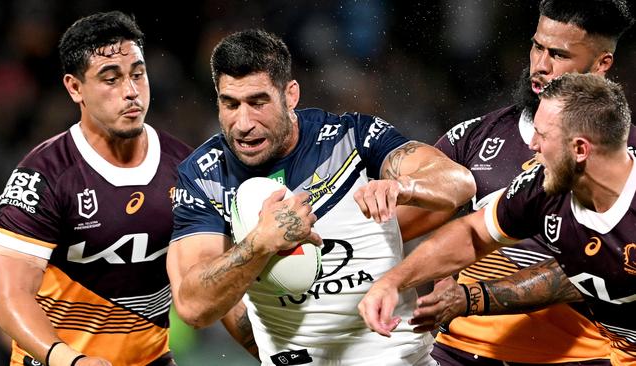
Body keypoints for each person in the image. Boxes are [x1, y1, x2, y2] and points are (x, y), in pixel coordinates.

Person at [166, 29, 476, 366]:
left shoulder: (351, 138)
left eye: (258, 103)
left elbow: (459, 183)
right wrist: (259, 244)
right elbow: (194, 307)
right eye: (230, 104)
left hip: (397, 358)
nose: (243, 123)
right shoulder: (203, 175)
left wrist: (404, 187)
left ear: (291, 95)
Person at [393, 0, 634, 364]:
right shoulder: (475, 136)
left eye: (559, 54)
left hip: (576, 357)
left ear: (601, 64)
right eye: (537, 46)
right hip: (457, 351)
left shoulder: (625, 157)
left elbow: (595, 267)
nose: (541, 65)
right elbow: (398, 225)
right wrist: (390, 190)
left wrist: (474, 296)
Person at [0, 11, 193, 365]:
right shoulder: (42, 177)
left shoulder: (186, 167)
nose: (131, 92)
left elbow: (213, 281)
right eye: (111, 79)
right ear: (74, 87)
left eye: (138, 75)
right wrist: (69, 360)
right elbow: (10, 297)